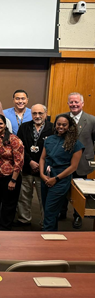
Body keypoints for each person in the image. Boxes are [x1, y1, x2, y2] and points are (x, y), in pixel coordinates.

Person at [40, 114, 83, 231]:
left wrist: (56, 179)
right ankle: (52, 237)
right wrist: (42, 175)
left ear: (69, 126)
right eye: (58, 124)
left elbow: (73, 167)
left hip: (60, 181)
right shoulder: (49, 139)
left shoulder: (76, 144)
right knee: (48, 211)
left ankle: (46, 239)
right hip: (46, 178)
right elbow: (43, 158)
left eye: (64, 125)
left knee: (50, 211)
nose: (61, 127)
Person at [16, 104, 53, 227]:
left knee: (44, 198)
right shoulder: (24, 127)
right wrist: (30, 161)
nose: (37, 116)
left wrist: (41, 164)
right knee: (24, 196)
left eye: (40, 113)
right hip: (27, 167)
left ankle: (45, 222)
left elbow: (54, 149)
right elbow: (20, 147)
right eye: (34, 113)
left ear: (46, 114)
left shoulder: (52, 128)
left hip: (45, 170)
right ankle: (24, 219)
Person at [0, 114, 24, 230]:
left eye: (0, 123)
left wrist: (13, 180)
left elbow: (19, 161)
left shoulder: (13, 139)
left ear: (5, 125)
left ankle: (4, 228)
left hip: (9, 177)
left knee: (8, 205)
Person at [65, 92, 95, 228]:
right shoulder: (62, 118)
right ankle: (61, 212)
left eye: (76, 102)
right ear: (68, 104)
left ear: (82, 103)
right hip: (64, 160)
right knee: (63, 186)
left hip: (83, 161)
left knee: (79, 189)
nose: (74, 104)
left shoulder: (91, 120)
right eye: (71, 102)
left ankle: (78, 215)